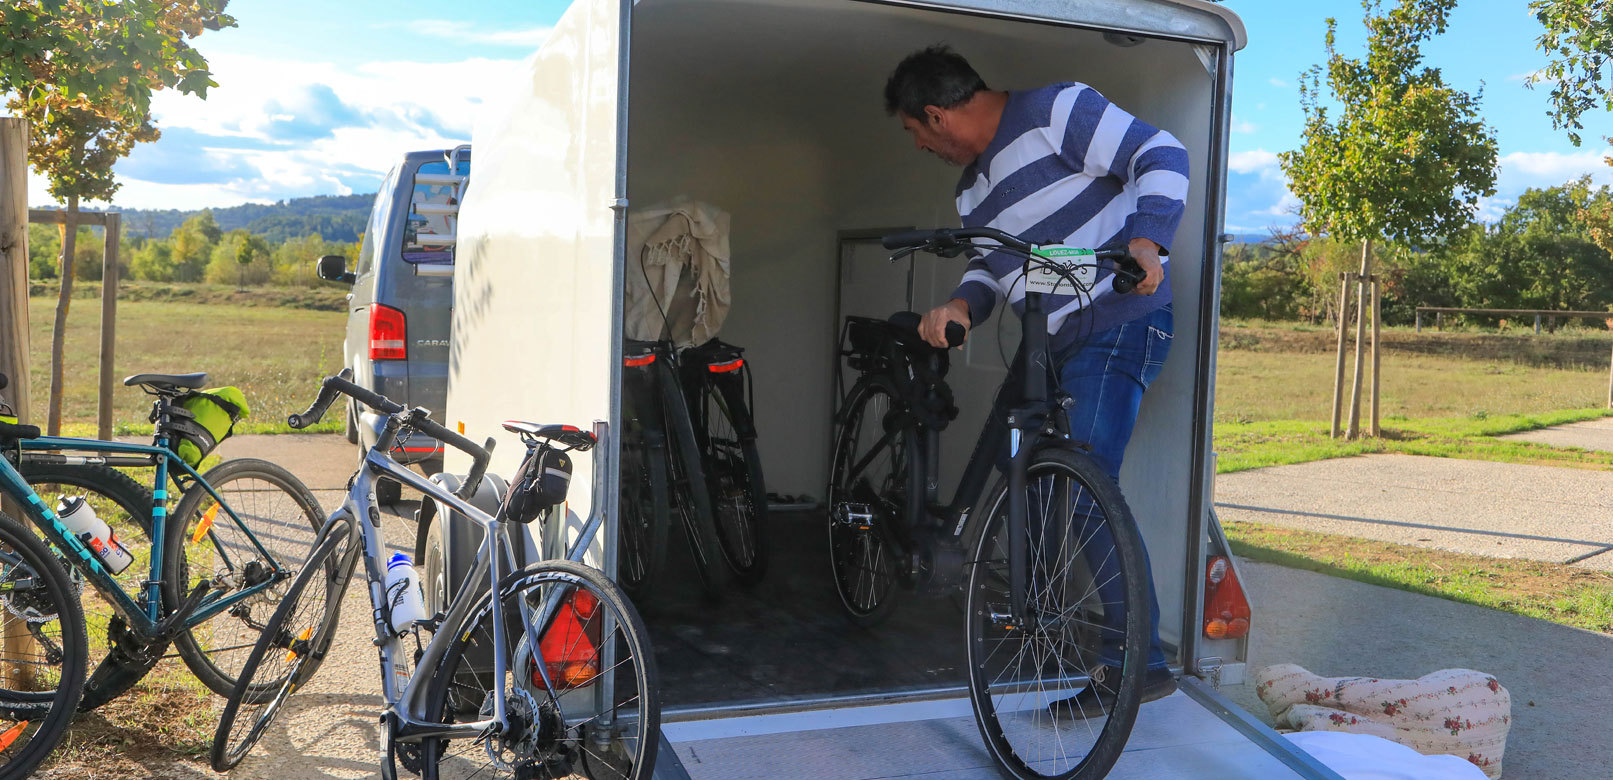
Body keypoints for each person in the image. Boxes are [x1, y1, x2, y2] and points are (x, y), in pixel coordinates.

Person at [884, 45, 1188, 708]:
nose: (920, 148)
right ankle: (1044, 615)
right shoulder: (970, 191)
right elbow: (993, 270)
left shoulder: (1056, 109)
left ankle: (1134, 665)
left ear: (935, 116)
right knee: (1037, 476)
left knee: (1083, 485)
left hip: (1117, 321)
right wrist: (961, 305)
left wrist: (1146, 240)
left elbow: (1160, 153)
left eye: (914, 133)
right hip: (1049, 340)